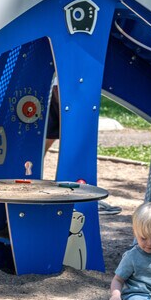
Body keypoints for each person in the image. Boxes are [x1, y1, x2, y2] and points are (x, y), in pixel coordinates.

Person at [44, 78, 121, 215]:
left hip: (66, 84)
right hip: (65, 84)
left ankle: (73, 193)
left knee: (69, 139)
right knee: (67, 138)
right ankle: (72, 194)